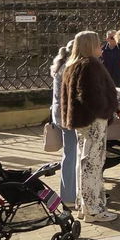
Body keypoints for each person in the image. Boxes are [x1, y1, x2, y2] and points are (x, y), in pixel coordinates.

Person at [63, 30, 120, 222]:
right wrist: (106, 110)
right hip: (94, 119)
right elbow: (91, 95)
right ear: (90, 45)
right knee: (93, 164)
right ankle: (93, 208)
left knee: (85, 161)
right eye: (98, 44)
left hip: (82, 121)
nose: (101, 47)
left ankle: (85, 205)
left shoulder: (71, 65)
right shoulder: (89, 64)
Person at [48, 43, 79, 214]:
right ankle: (68, 196)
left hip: (60, 114)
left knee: (70, 153)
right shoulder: (69, 67)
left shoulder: (62, 64)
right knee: (71, 155)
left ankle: (71, 193)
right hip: (67, 115)